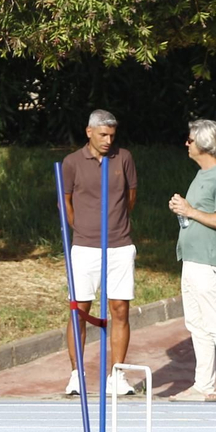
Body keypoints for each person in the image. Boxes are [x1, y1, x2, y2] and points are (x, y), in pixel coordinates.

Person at [60, 109, 138, 397]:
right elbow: (65, 202)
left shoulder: (124, 158)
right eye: (103, 134)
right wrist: (82, 229)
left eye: (112, 135)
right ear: (89, 132)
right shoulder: (72, 163)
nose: (108, 140)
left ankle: (117, 375)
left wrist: (116, 224)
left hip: (119, 245)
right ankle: (76, 375)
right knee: (79, 310)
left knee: (120, 309)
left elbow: (130, 196)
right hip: (84, 247)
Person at [168, 119, 216, 401]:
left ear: (205, 144)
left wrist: (190, 210)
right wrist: (184, 211)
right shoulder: (201, 175)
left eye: (190, 139)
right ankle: (204, 384)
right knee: (196, 324)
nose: (187, 143)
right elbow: (199, 213)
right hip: (192, 259)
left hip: (208, 262)